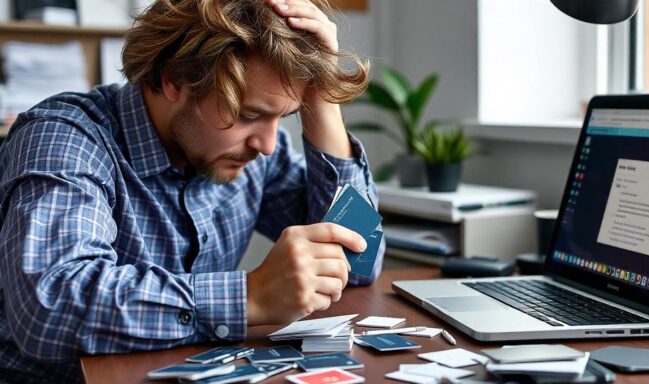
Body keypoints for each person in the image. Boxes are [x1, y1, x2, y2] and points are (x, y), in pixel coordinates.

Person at [0, 0, 383, 382]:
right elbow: (48, 307)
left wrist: (322, 96)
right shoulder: (64, 138)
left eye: (283, 117)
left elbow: (359, 263)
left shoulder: (255, 153)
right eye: (248, 115)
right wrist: (251, 296)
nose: (267, 144)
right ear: (174, 79)